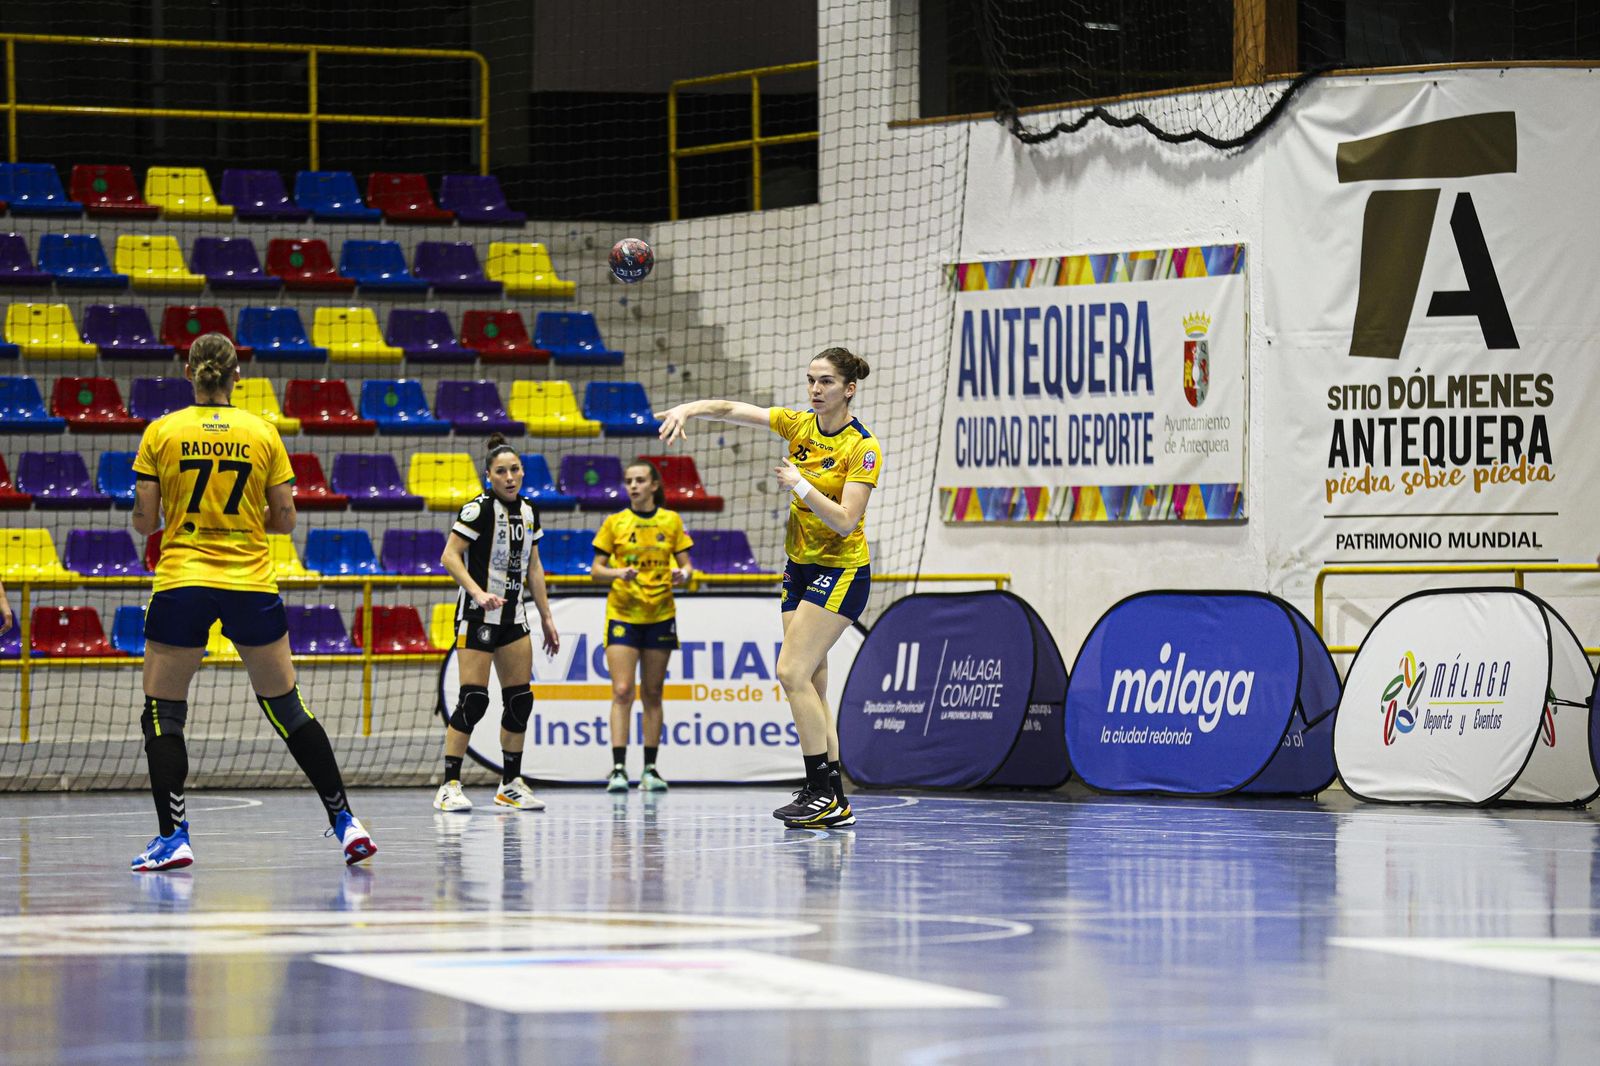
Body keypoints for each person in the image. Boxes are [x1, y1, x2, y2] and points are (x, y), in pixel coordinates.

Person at [128, 333, 375, 871]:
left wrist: (190, 520)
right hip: (251, 581)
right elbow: (285, 519)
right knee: (288, 706)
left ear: (188, 371)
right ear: (236, 376)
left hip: (183, 579)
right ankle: (346, 822)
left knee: (162, 713)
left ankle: (174, 838)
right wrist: (238, 523)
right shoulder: (261, 432)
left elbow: (146, 522)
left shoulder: (161, 432)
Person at [656, 346, 881, 829]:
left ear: (849, 389)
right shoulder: (799, 425)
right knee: (812, 683)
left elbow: (845, 521)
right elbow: (735, 410)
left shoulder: (862, 447)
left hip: (842, 571)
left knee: (790, 672)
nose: (815, 390)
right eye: (811, 380)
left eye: (825, 382)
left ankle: (819, 789)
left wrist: (801, 485)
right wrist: (687, 408)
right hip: (799, 567)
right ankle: (834, 797)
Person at [435, 433, 561, 813]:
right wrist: (476, 592)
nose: (510, 477)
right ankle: (449, 785)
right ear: (489, 476)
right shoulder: (477, 510)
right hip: (478, 616)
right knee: (473, 700)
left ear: (523, 472)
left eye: (515, 470)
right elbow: (449, 556)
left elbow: (534, 568)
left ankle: (510, 785)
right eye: (501, 471)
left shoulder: (529, 511)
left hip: (514, 618)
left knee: (520, 700)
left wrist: (547, 616)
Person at [591, 460, 694, 793]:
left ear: (653, 485)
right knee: (622, 690)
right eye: (629, 481)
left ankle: (650, 769)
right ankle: (619, 768)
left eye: (640, 480)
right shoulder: (615, 523)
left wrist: (684, 575)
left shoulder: (671, 521)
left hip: (660, 614)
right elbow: (596, 570)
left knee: (652, 693)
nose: (633, 486)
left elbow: (688, 567)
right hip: (623, 613)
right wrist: (617, 573)